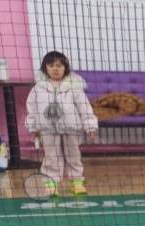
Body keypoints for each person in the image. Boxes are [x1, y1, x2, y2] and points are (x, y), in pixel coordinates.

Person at [25, 51, 98, 196]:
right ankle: (51, 184)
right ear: (45, 68)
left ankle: (77, 183)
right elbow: (32, 108)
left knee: (73, 156)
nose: (55, 69)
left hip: (71, 128)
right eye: (51, 66)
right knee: (51, 158)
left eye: (59, 66)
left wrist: (90, 125)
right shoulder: (38, 88)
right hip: (47, 129)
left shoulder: (74, 86)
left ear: (65, 68)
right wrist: (33, 127)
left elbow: (84, 107)